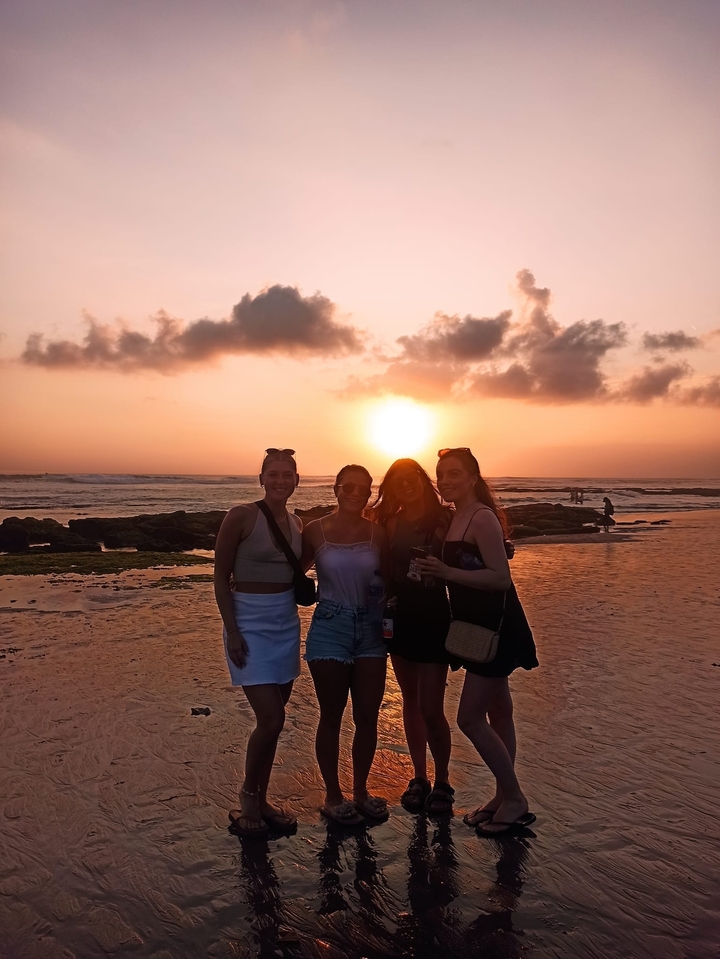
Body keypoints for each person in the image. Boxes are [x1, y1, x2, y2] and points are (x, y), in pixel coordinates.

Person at [416, 448, 539, 836]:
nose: (446, 481)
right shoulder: (458, 517)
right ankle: (504, 796)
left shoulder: (481, 517)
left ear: (473, 477)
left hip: (496, 628)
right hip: (478, 628)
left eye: (455, 474)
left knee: (469, 718)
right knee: (500, 713)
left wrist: (446, 570)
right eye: (441, 475)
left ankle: (515, 799)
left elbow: (500, 579)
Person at [214, 448, 302, 837]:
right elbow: (219, 577)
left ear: (297, 481)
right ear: (261, 479)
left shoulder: (299, 524)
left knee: (274, 722)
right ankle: (249, 797)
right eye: (274, 474)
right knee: (272, 718)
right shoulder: (242, 516)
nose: (280, 480)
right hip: (248, 622)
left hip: (285, 622)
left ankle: (262, 798)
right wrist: (232, 629)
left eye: (288, 474)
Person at [302, 465, 391, 826]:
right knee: (332, 715)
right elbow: (291, 571)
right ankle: (333, 795)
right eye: (349, 487)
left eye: (365, 489)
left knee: (368, 716)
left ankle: (360, 791)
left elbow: (392, 576)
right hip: (329, 626)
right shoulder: (314, 530)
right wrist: (241, 580)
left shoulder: (378, 532)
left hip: (370, 628)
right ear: (336, 488)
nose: (356, 493)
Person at [370, 458, 455, 816]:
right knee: (409, 699)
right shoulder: (388, 523)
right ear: (390, 487)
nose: (406, 484)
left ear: (423, 480)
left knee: (432, 707)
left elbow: (470, 557)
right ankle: (419, 777)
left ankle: (443, 781)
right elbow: (382, 570)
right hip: (400, 616)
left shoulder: (445, 518)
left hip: (436, 616)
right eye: (397, 480)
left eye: (412, 477)